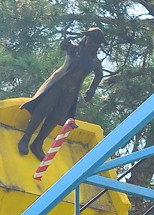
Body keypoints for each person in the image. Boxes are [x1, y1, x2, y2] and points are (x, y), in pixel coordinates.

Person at [18, 28, 104, 160]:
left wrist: (92, 89)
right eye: (92, 40)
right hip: (58, 85)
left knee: (55, 118)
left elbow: (99, 75)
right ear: (86, 38)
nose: (93, 44)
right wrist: (64, 44)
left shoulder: (95, 62)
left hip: (71, 92)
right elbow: (65, 46)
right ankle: (26, 138)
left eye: (97, 43)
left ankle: (38, 143)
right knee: (42, 110)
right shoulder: (75, 49)